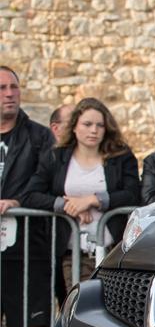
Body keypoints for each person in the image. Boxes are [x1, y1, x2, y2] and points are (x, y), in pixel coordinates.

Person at [23, 97, 140, 290]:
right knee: (79, 310)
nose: (93, 130)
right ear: (75, 126)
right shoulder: (56, 156)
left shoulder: (121, 156)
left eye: (99, 125)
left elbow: (132, 193)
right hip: (73, 254)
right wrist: (67, 206)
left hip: (112, 253)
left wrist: (93, 200)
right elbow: (31, 194)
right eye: (87, 124)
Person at [0, 67, 56, 327]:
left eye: (14, 87)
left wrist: (16, 199)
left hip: (27, 247)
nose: (9, 93)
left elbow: (45, 184)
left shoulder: (38, 138)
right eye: (2, 88)